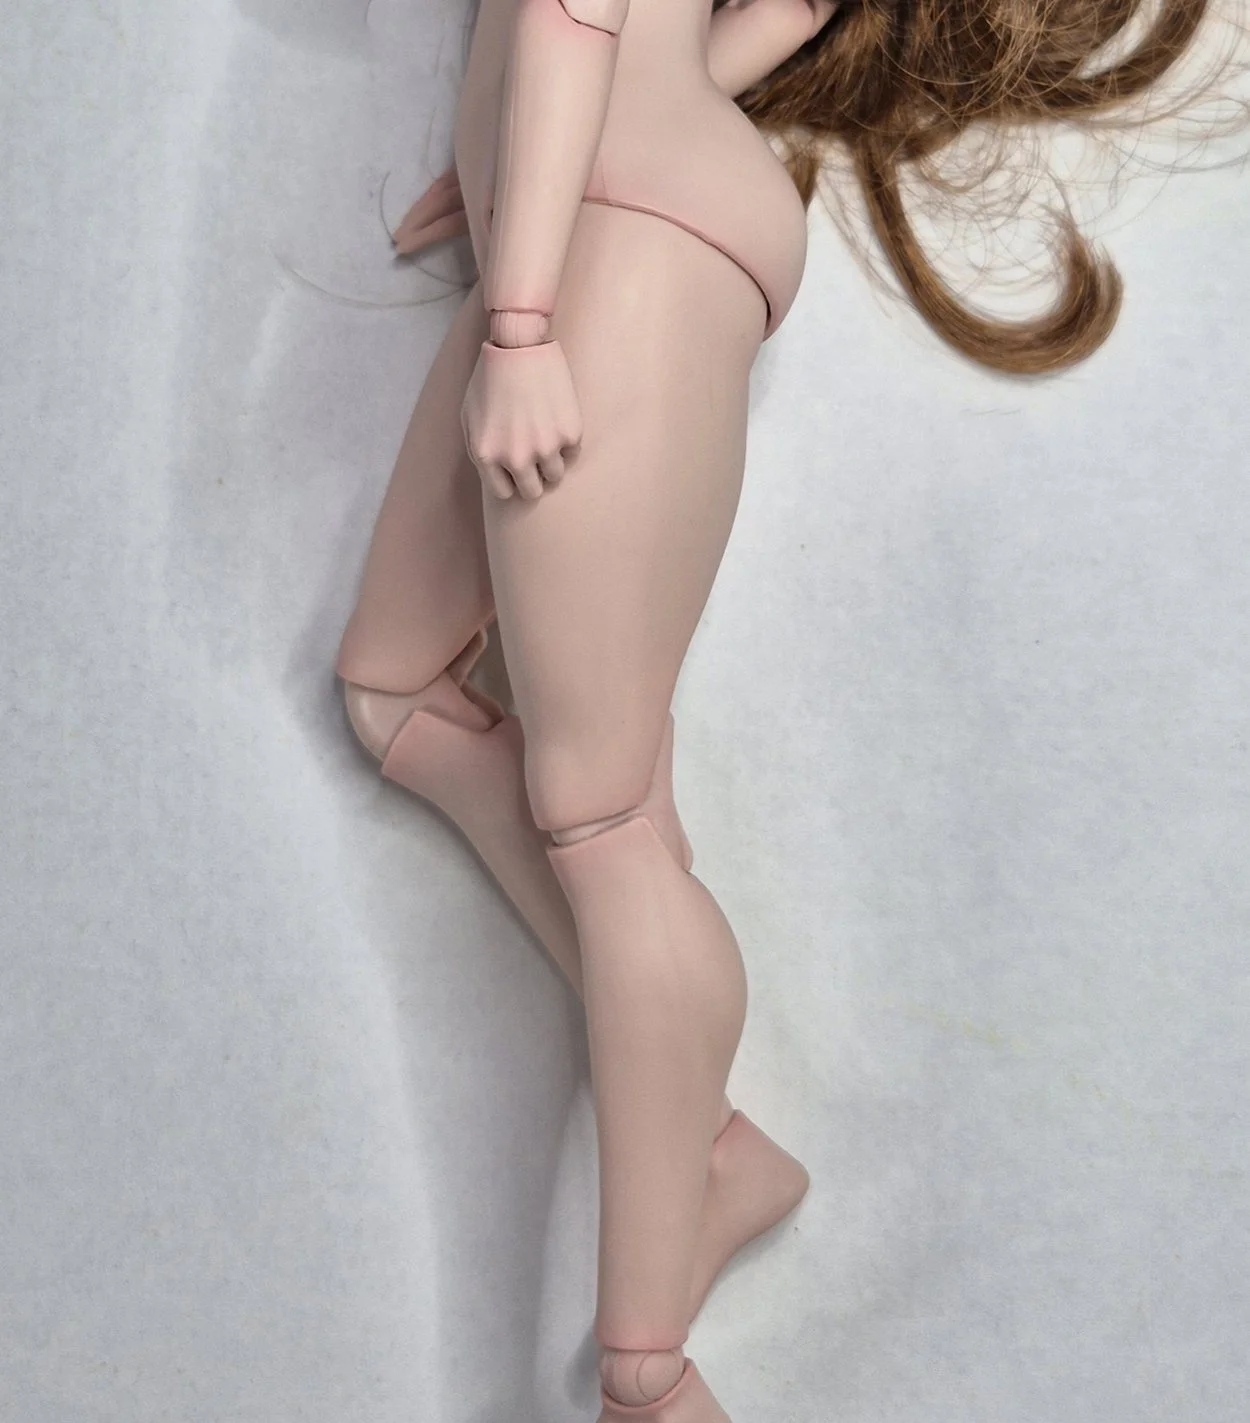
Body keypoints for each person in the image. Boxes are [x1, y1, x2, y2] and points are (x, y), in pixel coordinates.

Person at [334, 1, 1219, 1417]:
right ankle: (705, 1136)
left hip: (609, 252)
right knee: (393, 685)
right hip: (595, 210)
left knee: (600, 815)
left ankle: (648, 1372)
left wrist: (520, 322)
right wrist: (523, 157)